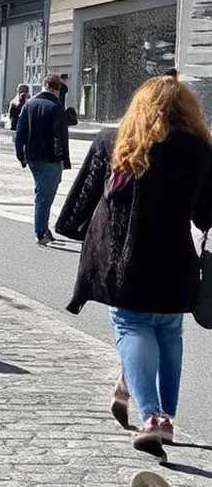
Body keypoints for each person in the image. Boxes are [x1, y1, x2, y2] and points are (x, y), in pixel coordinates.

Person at [55, 75, 212, 456]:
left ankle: (152, 418)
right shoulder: (200, 149)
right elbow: (206, 215)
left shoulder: (114, 141)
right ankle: (157, 412)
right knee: (168, 332)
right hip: (175, 260)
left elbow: (83, 200)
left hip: (125, 261)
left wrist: (76, 231)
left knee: (133, 325)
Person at [15, 74, 73, 246]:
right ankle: (40, 232)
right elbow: (61, 136)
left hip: (32, 156)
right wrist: (65, 159)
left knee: (42, 191)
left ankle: (44, 227)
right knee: (44, 196)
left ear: (44, 85)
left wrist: (20, 154)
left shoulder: (29, 104)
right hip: (50, 157)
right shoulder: (55, 106)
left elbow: (20, 132)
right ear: (57, 88)